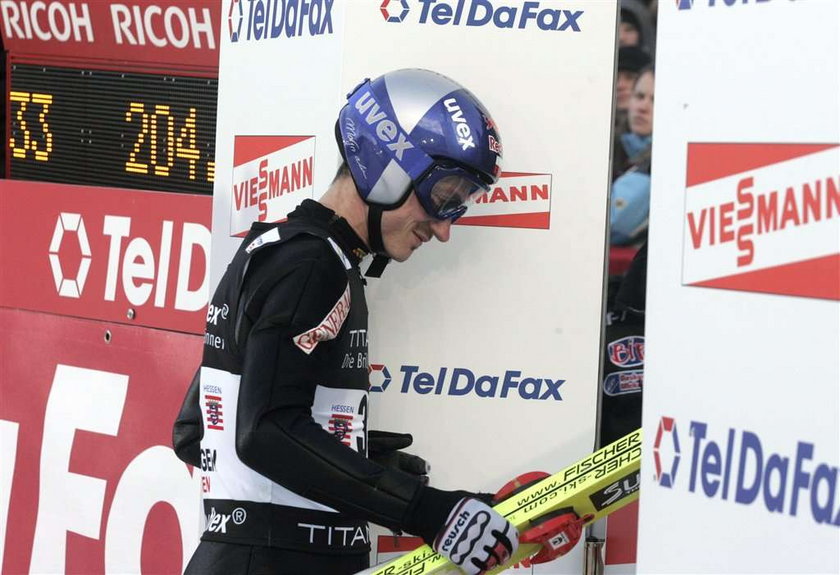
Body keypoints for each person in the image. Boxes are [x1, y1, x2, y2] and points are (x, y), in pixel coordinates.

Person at [172, 69, 518, 575]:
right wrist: (425, 512)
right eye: (443, 196)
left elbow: (196, 429)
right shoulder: (313, 266)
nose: (444, 228)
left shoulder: (282, 250)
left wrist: (352, 463)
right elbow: (263, 431)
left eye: (460, 205)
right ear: (386, 166)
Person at [610, 65, 654, 246]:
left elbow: (612, 224)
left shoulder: (658, 167)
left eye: (656, 100)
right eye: (639, 96)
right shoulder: (607, 144)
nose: (642, 107)